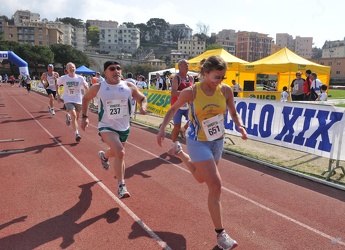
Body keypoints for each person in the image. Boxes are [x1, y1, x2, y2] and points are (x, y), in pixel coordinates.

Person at [157, 55, 247, 250]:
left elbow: (233, 111)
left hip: (217, 141)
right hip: (198, 142)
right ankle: (221, 235)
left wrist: (239, 125)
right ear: (205, 73)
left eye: (222, 77)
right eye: (216, 77)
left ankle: (180, 153)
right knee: (215, 186)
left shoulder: (225, 90)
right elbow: (173, 109)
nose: (219, 81)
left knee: (200, 178)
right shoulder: (191, 92)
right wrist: (163, 128)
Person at [81, 61, 147, 199]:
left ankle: (104, 156)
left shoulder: (129, 86)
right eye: (112, 69)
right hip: (106, 126)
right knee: (120, 152)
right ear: (105, 72)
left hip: (124, 127)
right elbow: (86, 99)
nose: (116, 71)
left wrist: (143, 106)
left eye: (119, 68)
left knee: (115, 152)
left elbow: (142, 98)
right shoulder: (99, 87)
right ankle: (121, 186)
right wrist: (85, 117)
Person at [57, 62, 89, 142]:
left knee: (76, 117)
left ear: (75, 68)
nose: (72, 69)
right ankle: (77, 134)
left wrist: (86, 87)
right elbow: (57, 84)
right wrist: (58, 95)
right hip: (68, 99)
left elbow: (86, 86)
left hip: (78, 100)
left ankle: (69, 117)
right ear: (67, 70)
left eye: (73, 67)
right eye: (70, 67)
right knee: (74, 114)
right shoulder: (63, 78)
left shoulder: (80, 78)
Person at [168, 59, 194, 148]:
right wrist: (185, 93)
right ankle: (173, 144)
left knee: (193, 120)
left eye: (188, 65)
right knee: (176, 126)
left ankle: (183, 129)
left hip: (188, 105)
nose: (187, 66)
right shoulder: (176, 77)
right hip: (177, 106)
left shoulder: (191, 78)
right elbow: (173, 92)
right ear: (179, 67)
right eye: (185, 65)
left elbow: (192, 91)